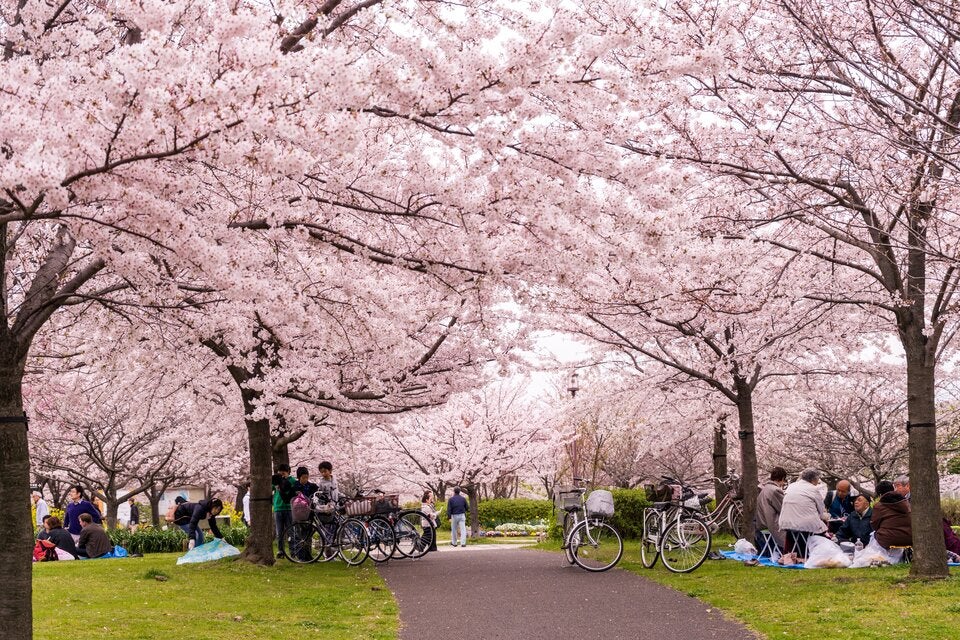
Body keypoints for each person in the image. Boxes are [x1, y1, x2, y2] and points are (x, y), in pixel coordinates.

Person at [778, 468, 829, 558]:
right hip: (805, 525)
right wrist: (826, 516)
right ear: (814, 479)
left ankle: (792, 554)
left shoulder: (791, 486)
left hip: (786, 523)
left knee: (796, 529)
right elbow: (821, 511)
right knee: (823, 526)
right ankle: (819, 555)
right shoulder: (813, 489)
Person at [755, 467, 787, 555]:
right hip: (770, 523)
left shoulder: (766, 488)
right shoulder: (775, 490)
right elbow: (784, 508)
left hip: (762, 522)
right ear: (782, 478)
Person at [871, 480, 912, 549]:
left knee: (873, 535)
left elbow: (875, 525)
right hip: (909, 538)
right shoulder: (905, 502)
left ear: (880, 495)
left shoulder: (879, 506)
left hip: (888, 540)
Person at [272, 464, 296, 557]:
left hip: (289, 508)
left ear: (288, 472)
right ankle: (280, 551)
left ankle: (293, 552)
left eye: (284, 473)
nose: (282, 475)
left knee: (290, 531)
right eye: (280, 473)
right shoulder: (276, 480)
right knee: (279, 532)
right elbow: (270, 488)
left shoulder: (292, 481)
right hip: (278, 508)